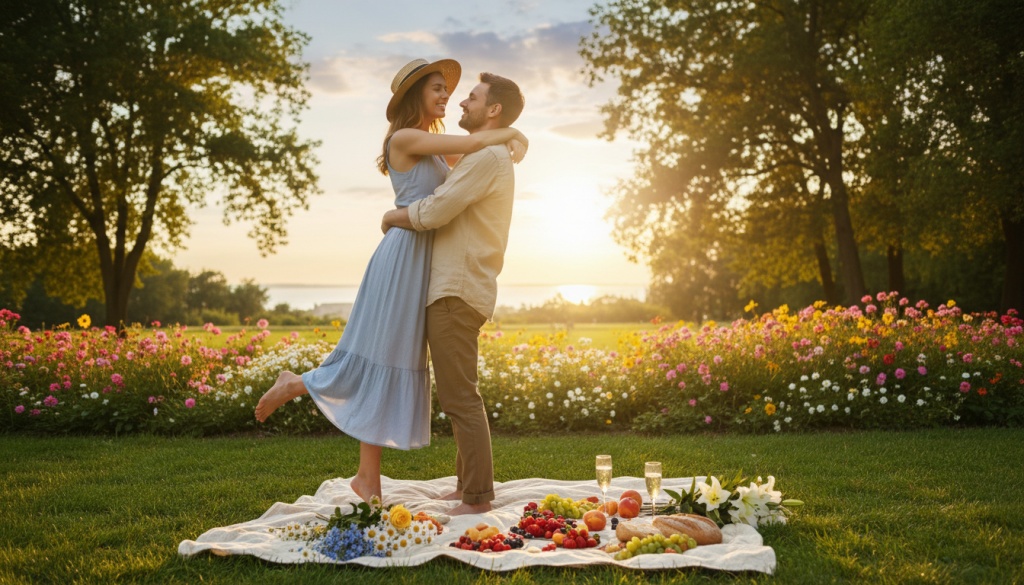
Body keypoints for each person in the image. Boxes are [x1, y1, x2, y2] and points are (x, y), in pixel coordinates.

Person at [253, 59, 527, 505]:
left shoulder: (441, 148)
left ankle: (368, 478)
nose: (448, 96)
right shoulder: (407, 138)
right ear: (415, 94)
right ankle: (297, 384)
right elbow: (478, 144)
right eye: (437, 89)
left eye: (454, 91)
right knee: (377, 355)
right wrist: (513, 133)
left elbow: (474, 154)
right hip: (403, 256)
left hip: (426, 262)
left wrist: (510, 131)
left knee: (388, 359)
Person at [381, 72, 525, 516]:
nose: (463, 102)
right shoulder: (483, 154)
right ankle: (467, 486)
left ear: (493, 110)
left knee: (460, 398)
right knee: (460, 394)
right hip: (458, 286)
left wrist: (394, 215)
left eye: (473, 97)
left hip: (456, 289)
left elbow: (438, 209)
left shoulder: (485, 158)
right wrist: (518, 136)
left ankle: (478, 497)